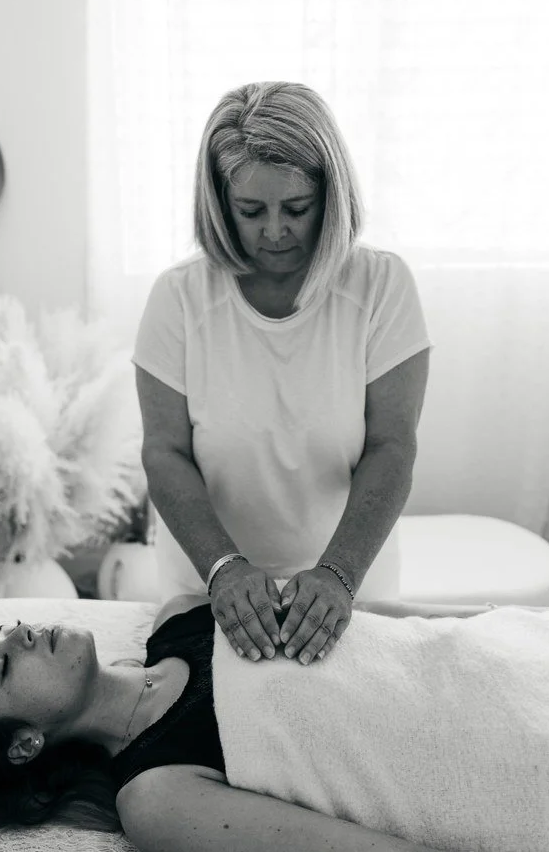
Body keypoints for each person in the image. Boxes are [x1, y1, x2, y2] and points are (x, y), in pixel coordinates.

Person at [0, 599, 549, 852]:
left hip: (520, 649)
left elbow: (377, 623)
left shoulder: (181, 615)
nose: (20, 633)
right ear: (24, 744)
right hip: (522, 757)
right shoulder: (157, 795)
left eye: (5, 626)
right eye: (1, 665)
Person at [133, 80, 434, 667]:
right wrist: (223, 568)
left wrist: (337, 575)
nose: (275, 231)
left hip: (347, 581)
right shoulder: (179, 298)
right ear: (220, 203)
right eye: (251, 211)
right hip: (204, 579)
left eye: (296, 208)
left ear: (331, 194)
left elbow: (392, 447)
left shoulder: (380, 288)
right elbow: (164, 450)